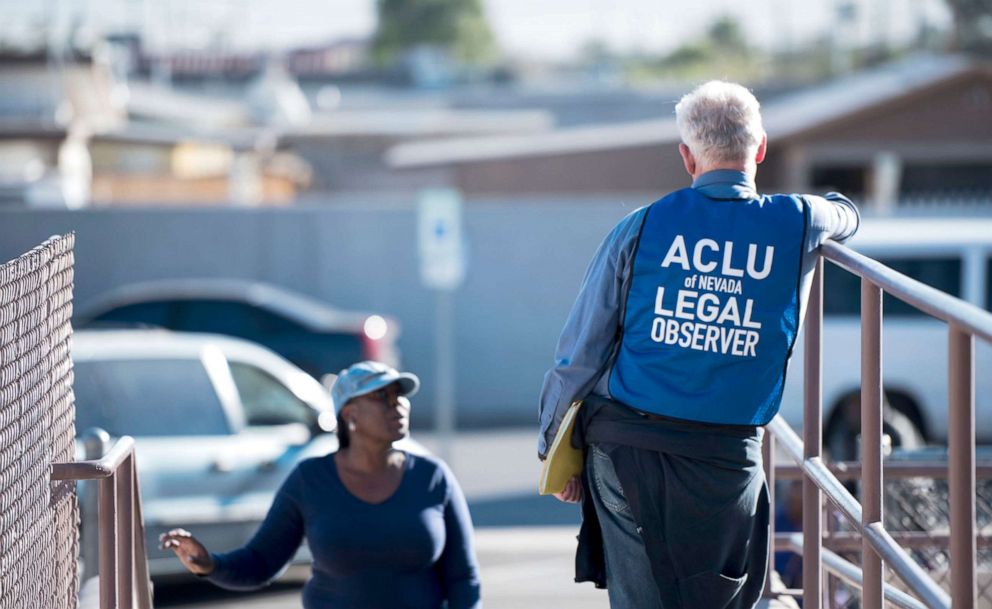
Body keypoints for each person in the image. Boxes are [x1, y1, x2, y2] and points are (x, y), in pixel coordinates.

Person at [538, 81, 860, 609]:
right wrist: (835, 208)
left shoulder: (638, 227)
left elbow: (579, 352)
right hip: (724, 460)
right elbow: (845, 215)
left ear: (687, 158)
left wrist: (555, 451)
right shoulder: (797, 220)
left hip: (624, 450)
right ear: (759, 150)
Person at [161, 360, 482, 609]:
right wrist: (209, 564)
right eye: (381, 396)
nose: (396, 404)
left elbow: (463, 578)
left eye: (399, 395)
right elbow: (261, 562)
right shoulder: (310, 480)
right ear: (349, 415)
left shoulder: (432, 477)